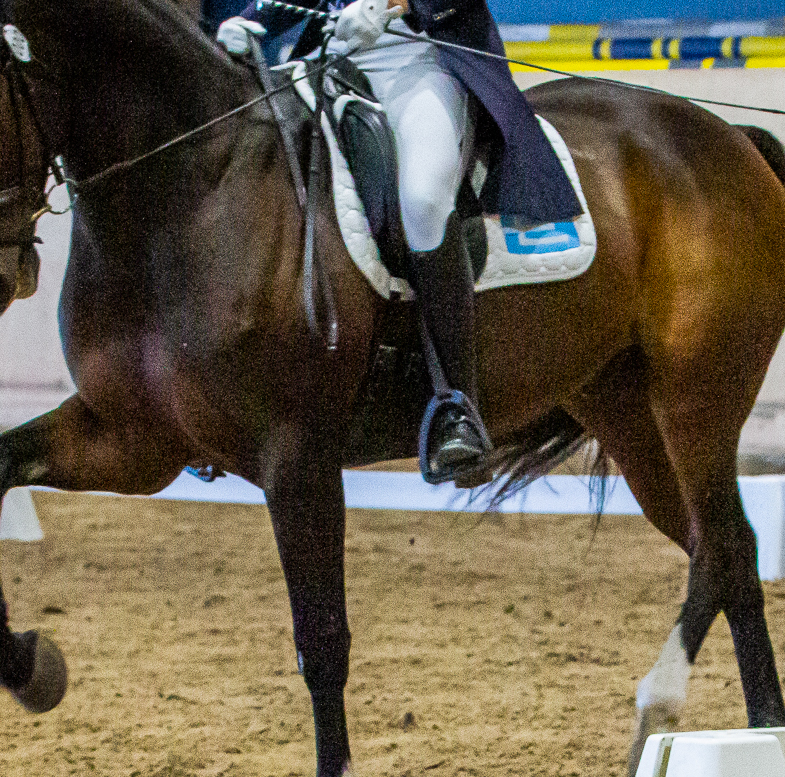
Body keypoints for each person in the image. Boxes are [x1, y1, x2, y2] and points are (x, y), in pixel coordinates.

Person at [216, 0, 582, 482]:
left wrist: (395, 4)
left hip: (422, 57)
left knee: (423, 200)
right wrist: (254, 20)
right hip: (329, 60)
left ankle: (459, 407)